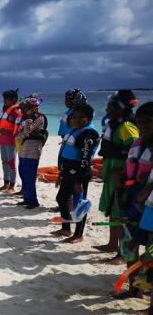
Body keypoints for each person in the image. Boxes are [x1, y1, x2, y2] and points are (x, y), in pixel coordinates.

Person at [112, 102, 153, 299]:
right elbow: (130, 168)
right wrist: (119, 175)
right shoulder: (137, 144)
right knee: (129, 244)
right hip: (131, 201)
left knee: (150, 249)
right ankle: (133, 289)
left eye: (148, 121)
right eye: (140, 121)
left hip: (149, 204)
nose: (143, 125)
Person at [94, 90, 139, 264]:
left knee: (121, 213)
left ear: (120, 107)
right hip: (111, 175)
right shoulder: (115, 125)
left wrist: (121, 173)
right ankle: (113, 244)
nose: (107, 108)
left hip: (121, 178)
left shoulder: (127, 127)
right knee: (113, 212)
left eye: (111, 104)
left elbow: (134, 152)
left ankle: (122, 253)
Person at [53, 104, 100, 243]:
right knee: (61, 198)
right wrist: (61, 173)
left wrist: (79, 182)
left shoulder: (88, 134)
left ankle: (78, 235)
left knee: (80, 204)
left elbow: (85, 159)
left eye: (81, 117)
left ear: (89, 118)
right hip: (68, 171)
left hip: (79, 173)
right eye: (74, 117)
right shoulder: (74, 130)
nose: (77, 120)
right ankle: (66, 228)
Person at [16, 95, 47, 209]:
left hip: (33, 147)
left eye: (28, 107)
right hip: (25, 147)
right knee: (23, 172)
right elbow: (21, 134)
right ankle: (26, 198)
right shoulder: (26, 119)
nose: (24, 109)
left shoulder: (40, 118)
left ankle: (33, 201)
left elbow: (26, 132)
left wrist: (25, 132)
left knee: (30, 174)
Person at [0, 89, 22, 193]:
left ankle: (12, 185)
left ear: (13, 100)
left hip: (11, 140)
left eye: (6, 99)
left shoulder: (16, 111)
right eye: (4, 99)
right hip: (2, 140)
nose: (4, 101)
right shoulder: (4, 110)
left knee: (11, 162)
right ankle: (6, 183)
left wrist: (7, 131)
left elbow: (19, 128)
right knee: (4, 162)